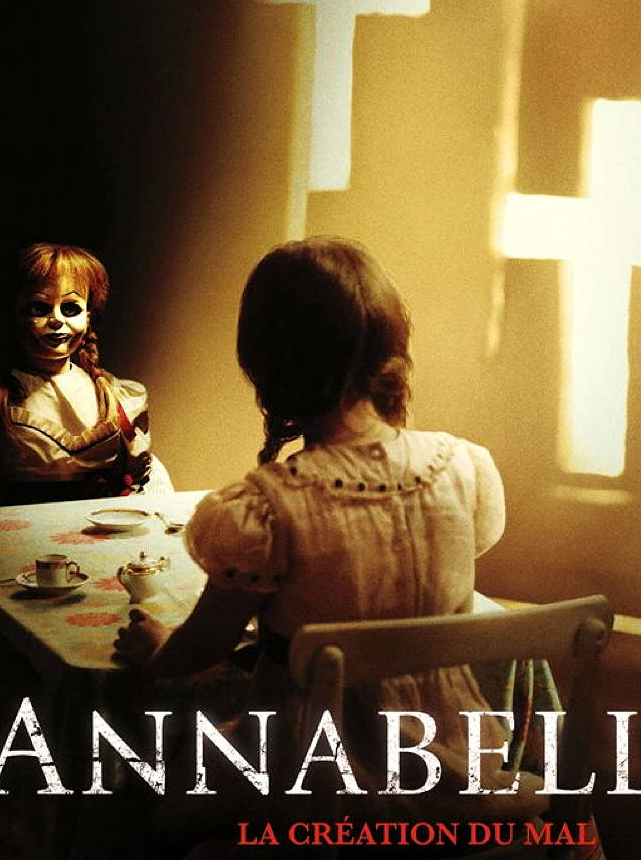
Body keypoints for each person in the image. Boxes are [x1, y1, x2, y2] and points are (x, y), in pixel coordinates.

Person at [114, 236, 544, 829]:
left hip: (317, 783)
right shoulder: (463, 468)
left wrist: (161, 648)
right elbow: (455, 555)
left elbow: (204, 648)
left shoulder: (268, 508)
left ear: (269, 366)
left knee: (145, 785)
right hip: (451, 767)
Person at [0, 241, 171, 513]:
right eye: (39, 308)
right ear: (13, 315)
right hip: (7, 532)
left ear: (88, 317)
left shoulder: (115, 396)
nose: (57, 320)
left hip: (96, 528)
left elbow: (142, 480)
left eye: (70, 308)